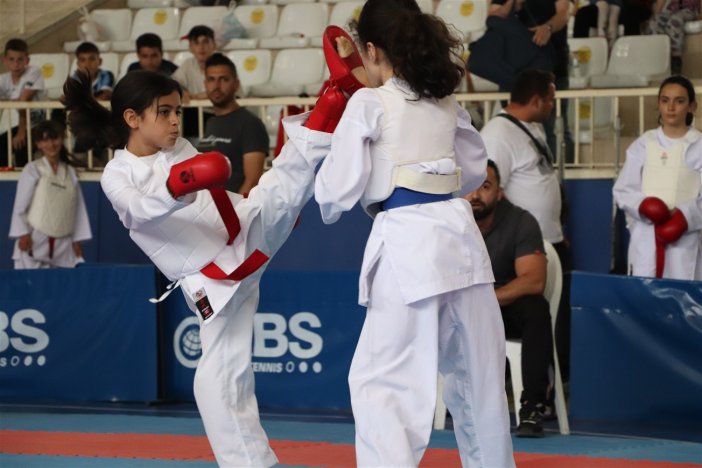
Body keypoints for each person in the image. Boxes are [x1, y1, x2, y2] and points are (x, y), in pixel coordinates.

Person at [60, 22, 354, 462]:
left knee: (286, 180)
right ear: (132, 119)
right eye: (165, 112)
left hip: (245, 230)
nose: (175, 121)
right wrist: (175, 186)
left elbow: (214, 198)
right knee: (221, 375)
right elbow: (138, 212)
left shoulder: (178, 147)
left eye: (177, 110)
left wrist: (195, 181)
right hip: (215, 278)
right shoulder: (116, 175)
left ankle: (334, 98)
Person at [314, 1, 515, 466]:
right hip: (461, 243)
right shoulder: (445, 100)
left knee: (385, 387)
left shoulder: (370, 103)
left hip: (407, 247)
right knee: (479, 384)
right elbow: (472, 172)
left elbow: (334, 194)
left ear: (370, 49)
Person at [480, 68, 572, 383]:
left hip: (550, 236)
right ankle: (525, 386)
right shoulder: (497, 134)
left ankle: (552, 383)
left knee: (557, 314)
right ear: (535, 101)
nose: (552, 106)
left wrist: (558, 228)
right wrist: (519, 231)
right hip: (521, 245)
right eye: (550, 100)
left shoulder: (532, 128)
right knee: (533, 311)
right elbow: (491, 188)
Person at [466, 160, 553, 438]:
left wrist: (488, 300)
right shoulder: (448, 224)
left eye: (485, 186)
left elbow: (534, 280)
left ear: (499, 192)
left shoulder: (520, 221)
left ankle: (532, 406)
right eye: (470, 186)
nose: (475, 195)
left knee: (536, 308)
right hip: (463, 309)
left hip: (504, 307)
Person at [613, 75, 702, 280]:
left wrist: (686, 216)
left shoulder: (699, 145)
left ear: (692, 107)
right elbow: (623, 190)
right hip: (647, 237)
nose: (671, 107)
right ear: (659, 104)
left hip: (686, 241)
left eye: (679, 101)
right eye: (665, 100)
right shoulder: (644, 144)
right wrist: (644, 206)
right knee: (644, 291)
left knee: (683, 292)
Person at [9, 120, 91, 269]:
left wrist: (77, 240)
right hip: (34, 238)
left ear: (62, 139)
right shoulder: (32, 169)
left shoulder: (70, 172)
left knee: (62, 281)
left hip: (63, 243)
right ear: (38, 144)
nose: (51, 144)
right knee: (30, 282)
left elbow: (77, 208)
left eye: (54, 139)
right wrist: (22, 233)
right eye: (45, 140)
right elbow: (20, 204)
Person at [200, 53, 269, 194]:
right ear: (205, 84)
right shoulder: (211, 122)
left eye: (224, 79)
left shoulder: (250, 123)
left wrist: (235, 208)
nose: (216, 86)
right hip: (207, 206)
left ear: (236, 84)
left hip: (234, 206)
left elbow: (252, 182)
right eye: (211, 79)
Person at [0, 38, 45, 168]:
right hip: (24, 125)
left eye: (20, 60)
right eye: (11, 59)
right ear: (5, 60)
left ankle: (27, 178)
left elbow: (24, 100)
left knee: (21, 148)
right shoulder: (3, 79)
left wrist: (21, 132)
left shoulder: (34, 72)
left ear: (27, 60)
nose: (16, 64)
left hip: (42, 124)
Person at [644, 0, 701, 74]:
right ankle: (657, 55)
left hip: (689, 10)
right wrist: (656, 15)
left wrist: (700, 17)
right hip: (672, 10)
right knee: (654, 24)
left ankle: (675, 59)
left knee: (675, 21)